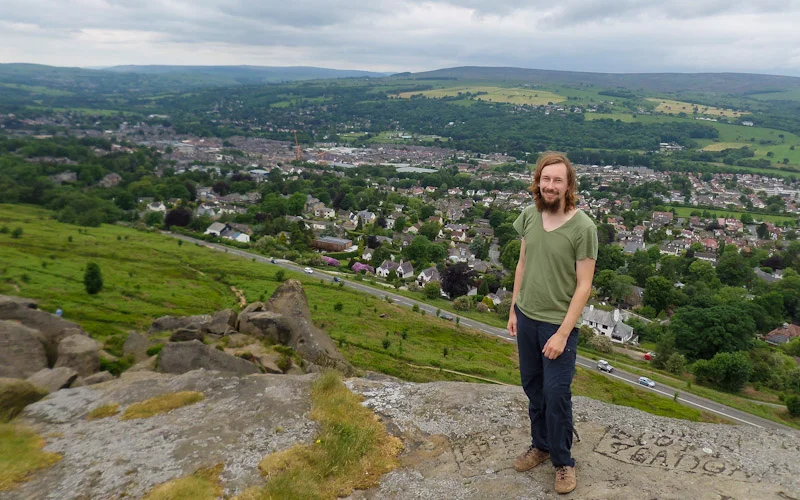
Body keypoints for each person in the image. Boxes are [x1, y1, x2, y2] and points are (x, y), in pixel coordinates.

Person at [507, 152, 597, 494]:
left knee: (556, 392)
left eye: (557, 180)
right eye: (545, 179)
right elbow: (522, 264)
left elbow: (584, 285)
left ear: (568, 185)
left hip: (558, 325)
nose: (550, 185)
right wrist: (514, 308)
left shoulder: (583, 228)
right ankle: (540, 445)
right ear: (538, 181)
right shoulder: (529, 215)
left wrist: (562, 333)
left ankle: (563, 462)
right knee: (532, 387)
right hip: (527, 316)